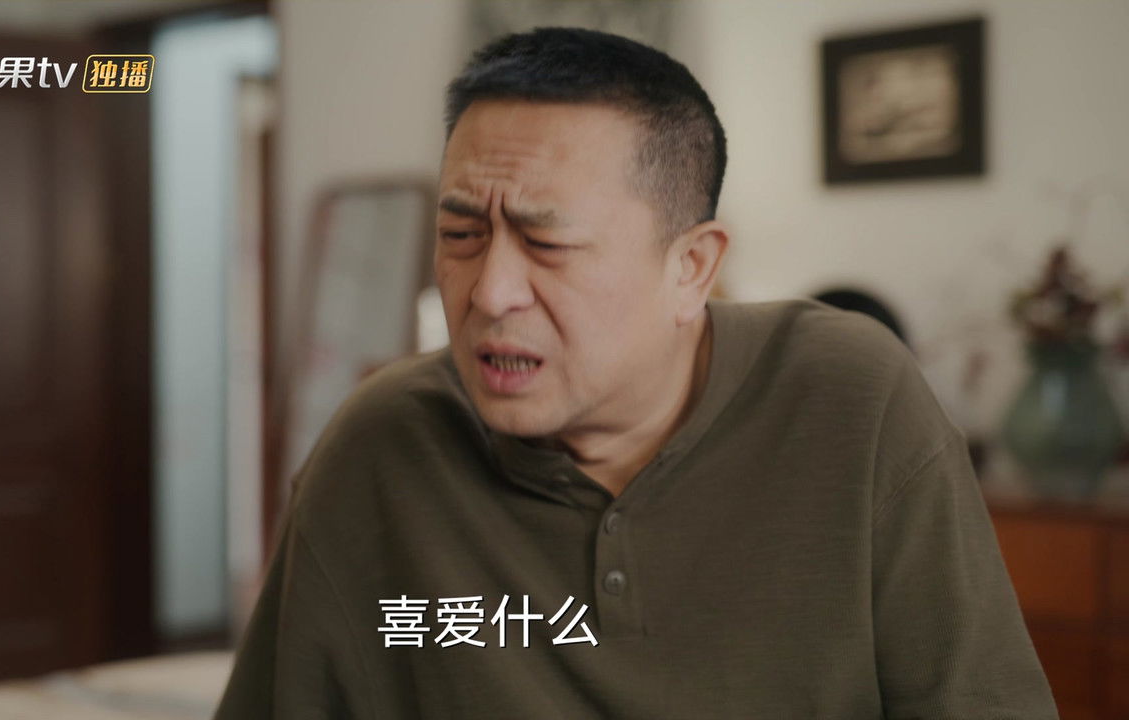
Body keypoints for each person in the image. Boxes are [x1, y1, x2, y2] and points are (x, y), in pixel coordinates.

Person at [214, 26, 1057, 719]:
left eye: (547, 243)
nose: (491, 292)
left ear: (692, 268)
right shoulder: (380, 444)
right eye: (461, 235)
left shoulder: (852, 400)